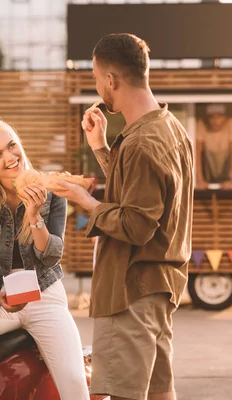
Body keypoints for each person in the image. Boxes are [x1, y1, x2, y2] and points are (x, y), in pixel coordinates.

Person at [52, 33, 194, 400]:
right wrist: (100, 146)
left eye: (97, 78)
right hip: (159, 288)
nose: (98, 86)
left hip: (130, 290)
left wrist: (85, 201)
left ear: (111, 80)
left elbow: (136, 224)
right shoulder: (169, 128)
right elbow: (141, 189)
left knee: (115, 395)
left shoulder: (142, 142)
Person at [0, 115, 89, 400]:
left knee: (76, 383)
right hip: (0, 298)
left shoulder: (50, 192)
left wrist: (34, 213)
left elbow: (51, 258)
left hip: (45, 295)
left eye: (12, 146)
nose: (10, 157)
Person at [195, 103, 232, 189]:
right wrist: (199, 179)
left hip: (226, 173)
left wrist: (231, 179)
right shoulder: (202, 125)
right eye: (212, 117)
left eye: (219, 117)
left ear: (225, 118)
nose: (215, 121)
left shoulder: (230, 124)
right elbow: (197, 152)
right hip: (208, 173)